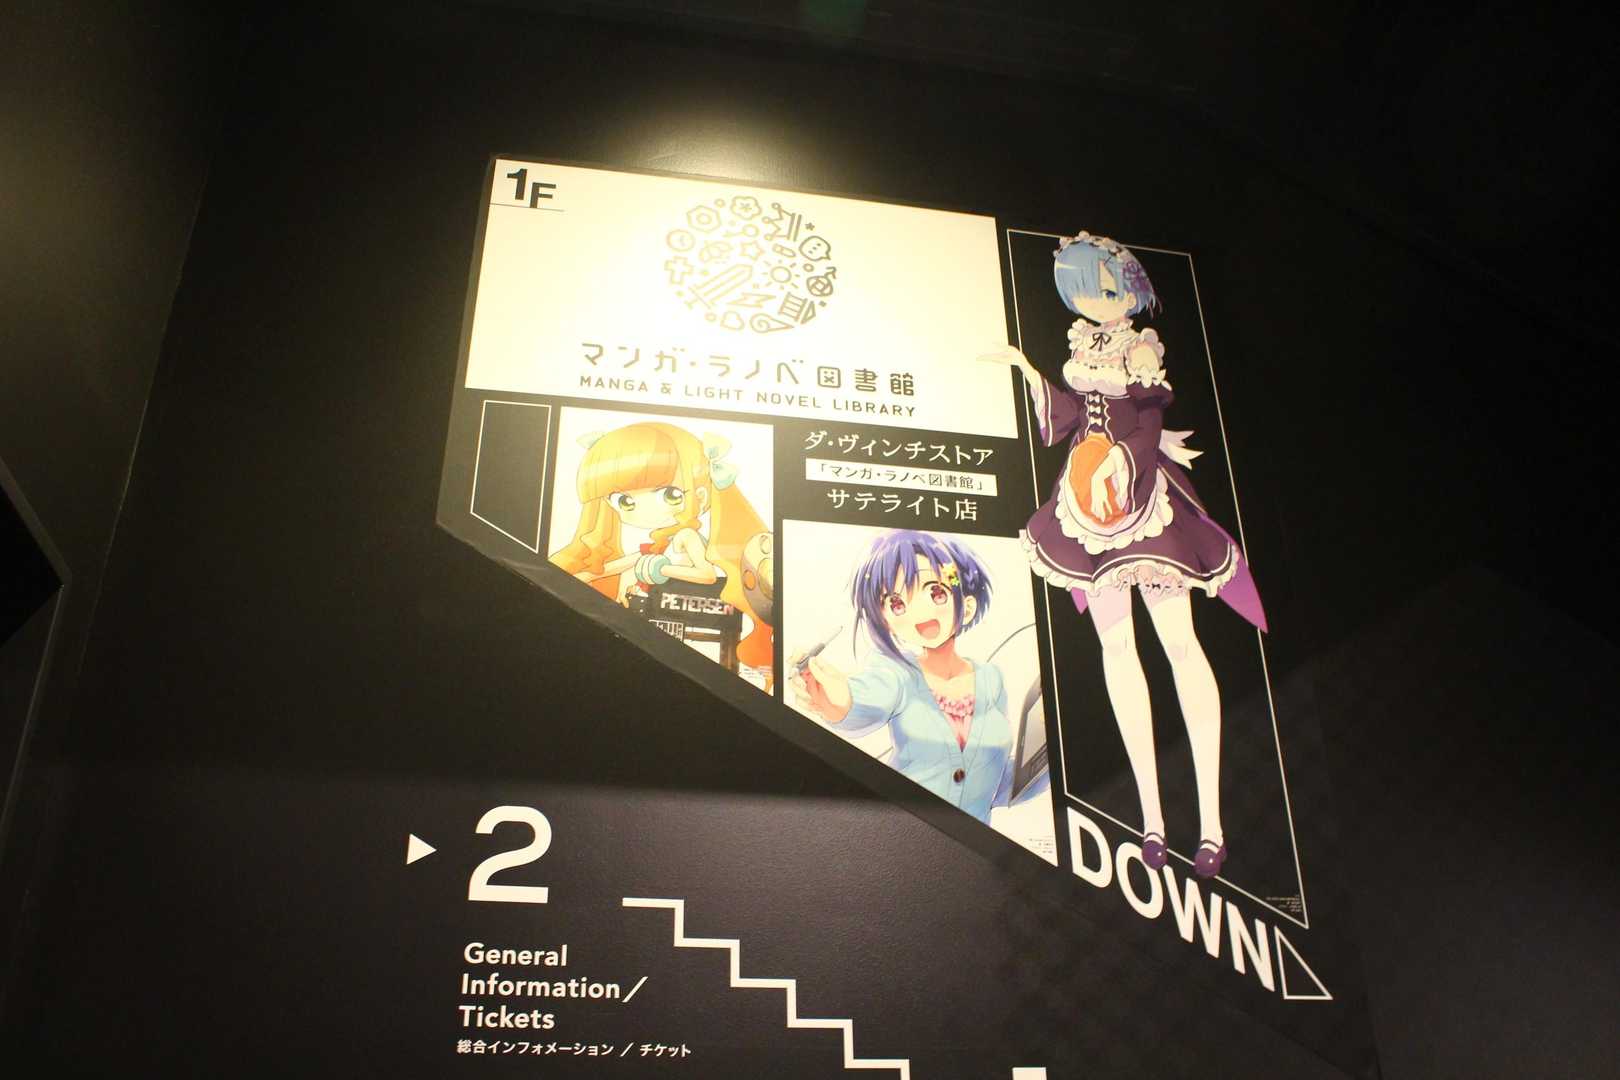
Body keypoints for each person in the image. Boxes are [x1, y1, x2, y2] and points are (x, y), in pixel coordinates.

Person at [980, 231, 1265, 877]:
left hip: (1141, 502)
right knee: (1116, 648)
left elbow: (1149, 422)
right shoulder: (1082, 343)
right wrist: (1028, 372)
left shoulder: (1139, 346)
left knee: (1179, 644)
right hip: (1089, 506)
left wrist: (1121, 462)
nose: (1093, 300)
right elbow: (1071, 416)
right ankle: (1153, 822)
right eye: (1081, 289)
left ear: (1130, 289)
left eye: (1104, 287)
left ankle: (1212, 825)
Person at [790, 530, 1039, 824]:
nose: (918, 614)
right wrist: (835, 699)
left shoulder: (991, 680)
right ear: (886, 621)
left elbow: (995, 782)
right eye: (897, 604)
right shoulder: (896, 671)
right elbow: (865, 698)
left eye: (936, 593)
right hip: (900, 834)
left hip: (973, 843)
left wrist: (1047, 762)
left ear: (967, 606)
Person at [549, 420, 772, 672]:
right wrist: (588, 575)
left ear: (700, 496)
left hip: (693, 611)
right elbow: (628, 562)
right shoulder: (660, 541)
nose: (645, 511)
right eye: (625, 501)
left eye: (670, 494)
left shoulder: (686, 535)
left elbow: (707, 574)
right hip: (653, 614)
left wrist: (660, 569)